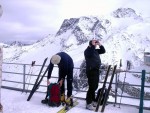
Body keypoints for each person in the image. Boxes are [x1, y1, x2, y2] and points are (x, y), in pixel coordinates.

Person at [84, 39, 106, 110]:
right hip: (91, 70)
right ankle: (88, 103)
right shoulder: (87, 51)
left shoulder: (95, 50)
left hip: (96, 70)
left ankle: (92, 100)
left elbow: (103, 51)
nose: (95, 44)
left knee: (95, 86)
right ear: (91, 44)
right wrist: (93, 45)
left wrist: (100, 44)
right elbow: (90, 53)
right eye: (94, 43)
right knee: (92, 87)